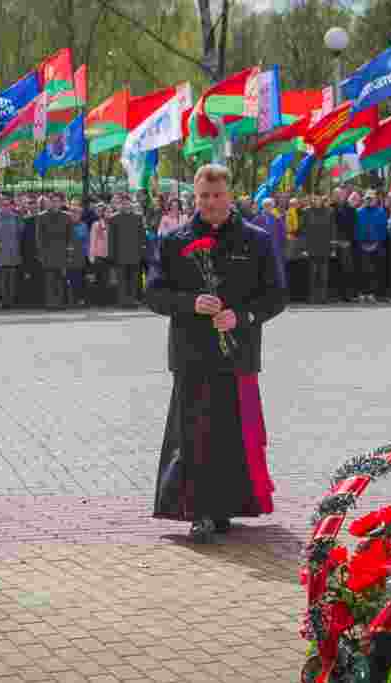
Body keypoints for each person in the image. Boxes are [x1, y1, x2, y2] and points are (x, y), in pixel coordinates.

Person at [145, 163, 287, 543]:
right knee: (194, 435)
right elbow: (154, 295)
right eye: (203, 196)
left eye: (217, 195)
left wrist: (242, 316)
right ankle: (199, 510)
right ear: (195, 196)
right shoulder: (174, 241)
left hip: (238, 353)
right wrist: (191, 303)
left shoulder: (256, 240)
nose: (210, 203)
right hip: (191, 355)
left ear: (230, 194)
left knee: (234, 435)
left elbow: (276, 295)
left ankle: (228, 507)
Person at [108, 196, 146, 307]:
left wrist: (142, 252)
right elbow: (111, 239)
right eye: (123, 203)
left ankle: (132, 300)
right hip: (120, 254)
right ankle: (122, 300)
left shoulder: (138, 218)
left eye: (127, 203)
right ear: (120, 205)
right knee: (122, 279)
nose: (125, 205)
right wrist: (111, 254)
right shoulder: (114, 218)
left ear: (131, 204)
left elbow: (142, 236)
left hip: (134, 253)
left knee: (134, 279)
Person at [36, 193, 72, 309]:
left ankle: (60, 303)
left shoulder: (66, 216)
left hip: (62, 252)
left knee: (61, 280)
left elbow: (69, 236)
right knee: (49, 280)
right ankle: (50, 303)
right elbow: (39, 237)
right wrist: (41, 253)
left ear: (61, 203)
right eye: (53, 201)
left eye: (58, 201)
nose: (56, 204)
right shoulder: (42, 216)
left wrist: (69, 252)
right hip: (48, 253)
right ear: (50, 203)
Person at [355, 191, 388, 303]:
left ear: (375, 200)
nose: (369, 201)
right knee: (362, 270)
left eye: (371, 199)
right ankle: (362, 293)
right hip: (362, 245)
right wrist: (360, 243)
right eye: (367, 199)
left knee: (374, 270)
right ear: (364, 199)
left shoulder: (381, 212)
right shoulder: (358, 212)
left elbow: (383, 229)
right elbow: (356, 229)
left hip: (376, 245)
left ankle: (371, 293)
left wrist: (377, 243)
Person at [0, 195, 23, 310]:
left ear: (11, 206)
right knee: (1, 281)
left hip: (13, 254)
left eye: (8, 205)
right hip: (0, 255)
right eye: (3, 205)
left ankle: (11, 301)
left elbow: (20, 234)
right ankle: (4, 301)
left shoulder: (16, 217)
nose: (5, 207)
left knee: (12, 280)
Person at [302, 195, 334, 305]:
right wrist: (304, 248)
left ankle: (323, 297)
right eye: (314, 199)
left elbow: (332, 230)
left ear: (322, 200)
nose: (316, 201)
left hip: (325, 246)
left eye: (318, 199)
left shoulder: (329, 211)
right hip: (311, 247)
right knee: (312, 274)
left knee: (324, 275)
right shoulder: (306, 212)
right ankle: (312, 297)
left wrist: (332, 247)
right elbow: (304, 231)